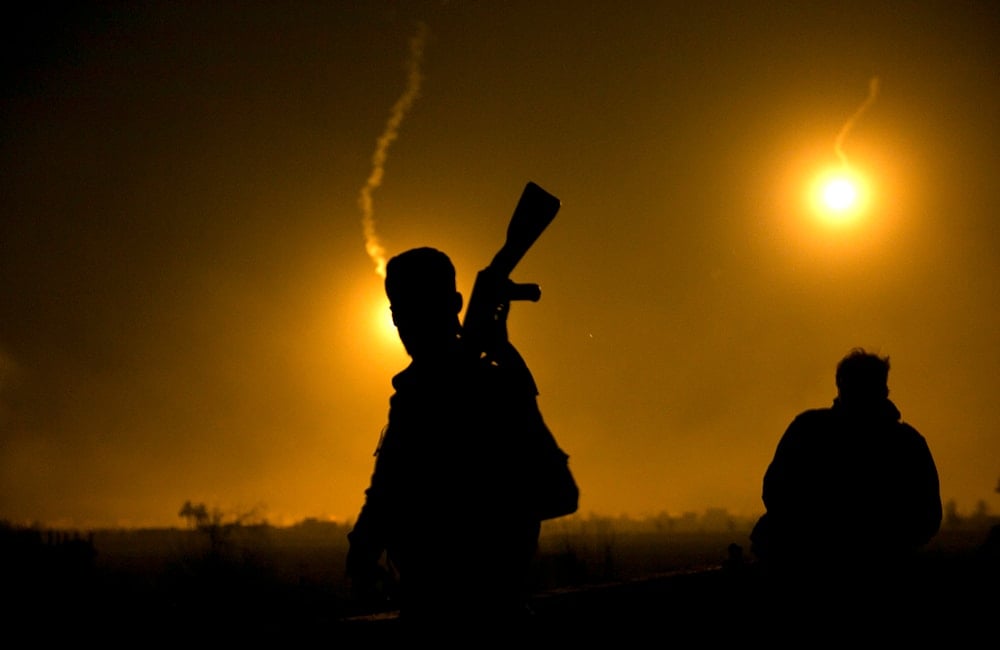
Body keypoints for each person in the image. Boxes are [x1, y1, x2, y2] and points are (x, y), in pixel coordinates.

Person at [345, 247, 575, 636]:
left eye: (417, 307)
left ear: (453, 304)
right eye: (398, 311)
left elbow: (557, 492)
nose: (405, 323)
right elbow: (384, 501)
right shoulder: (423, 395)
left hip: (475, 619)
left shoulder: (475, 391)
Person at [750, 348, 942, 625]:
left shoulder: (808, 430)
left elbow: (775, 492)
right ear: (885, 388)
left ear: (840, 386)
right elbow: (927, 518)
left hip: (804, 577)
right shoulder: (907, 443)